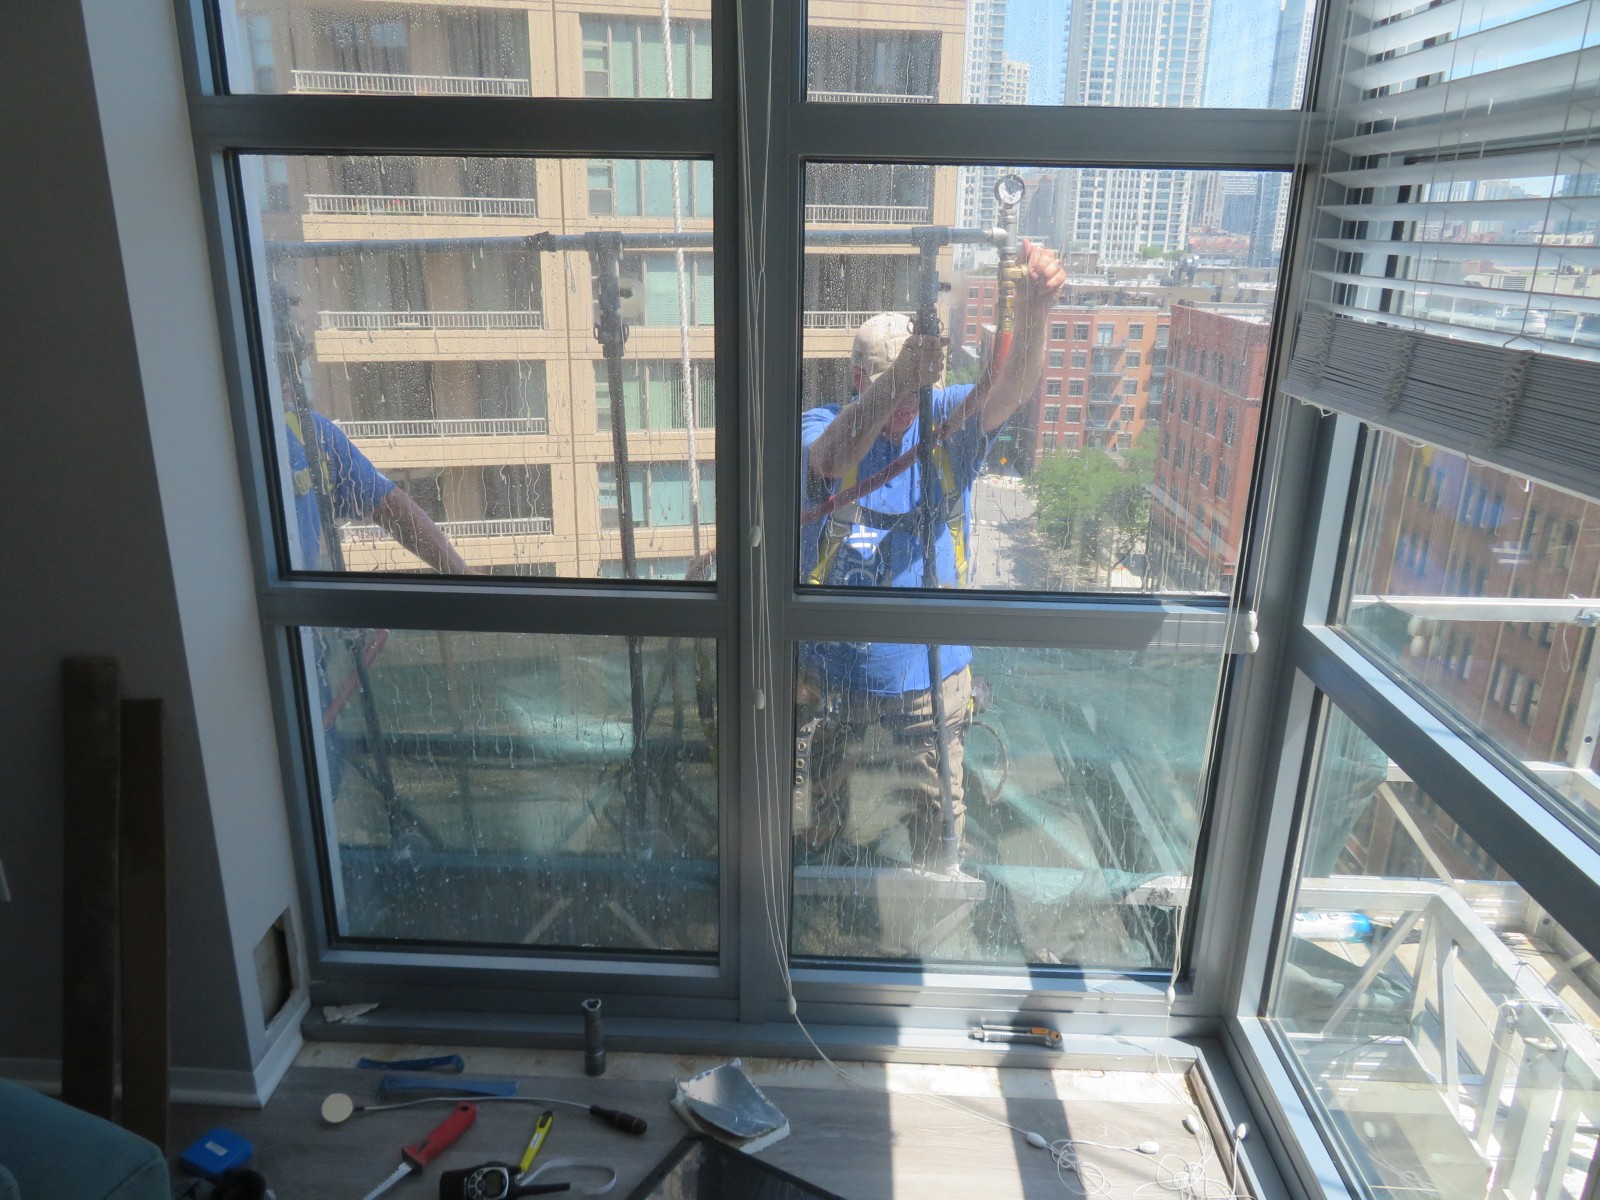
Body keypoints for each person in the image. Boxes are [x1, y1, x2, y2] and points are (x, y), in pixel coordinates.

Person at [797, 240, 1067, 869]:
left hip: (928, 670)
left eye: (916, 390)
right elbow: (831, 460)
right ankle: (820, 879)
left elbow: (1008, 389)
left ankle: (933, 890)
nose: (904, 408)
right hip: (830, 671)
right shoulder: (821, 422)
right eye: (890, 389)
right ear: (860, 380)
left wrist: (1035, 312)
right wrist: (901, 379)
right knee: (820, 809)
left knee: (935, 819)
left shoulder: (943, 423)